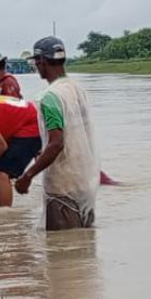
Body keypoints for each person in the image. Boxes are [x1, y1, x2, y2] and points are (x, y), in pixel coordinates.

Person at [15, 37, 100, 230]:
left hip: (63, 185)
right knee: (84, 247)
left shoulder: (50, 98)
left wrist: (27, 176)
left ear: (41, 62)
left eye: (36, 62)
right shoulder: (78, 90)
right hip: (85, 181)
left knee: (62, 250)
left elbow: (56, 143)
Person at [0, 96, 41, 207]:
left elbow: (0, 146)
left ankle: (5, 215)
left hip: (32, 127)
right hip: (26, 117)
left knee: (1, 172)